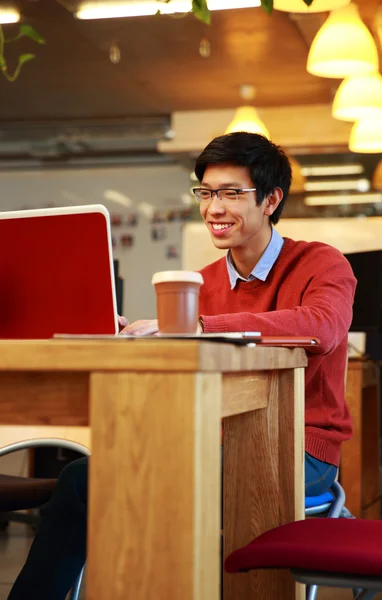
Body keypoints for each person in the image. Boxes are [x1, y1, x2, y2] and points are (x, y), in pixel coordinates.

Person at [8, 132, 356, 600]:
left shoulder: (321, 263)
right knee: (82, 479)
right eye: (206, 193)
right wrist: (130, 335)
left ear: (271, 200)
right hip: (209, 443)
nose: (214, 208)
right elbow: (184, 357)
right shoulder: (200, 282)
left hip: (300, 450)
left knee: (123, 483)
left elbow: (322, 327)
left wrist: (198, 324)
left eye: (232, 193)